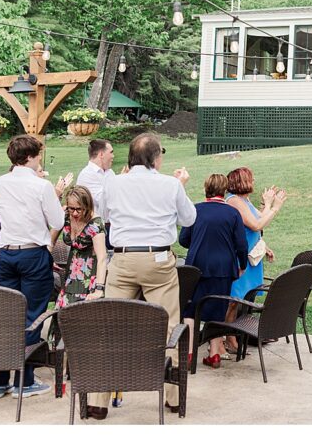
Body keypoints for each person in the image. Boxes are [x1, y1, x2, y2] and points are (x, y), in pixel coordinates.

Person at [93, 132, 194, 418]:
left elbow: (105, 214)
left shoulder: (113, 182)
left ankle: (98, 402)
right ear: (155, 158)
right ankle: (173, 397)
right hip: (157, 258)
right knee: (170, 326)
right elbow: (189, 219)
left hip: (123, 258)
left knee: (109, 326)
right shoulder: (170, 184)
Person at [0, 135, 68, 401]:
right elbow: (57, 219)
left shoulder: (0, 182)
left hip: (6, 254)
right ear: (33, 156)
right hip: (33, 253)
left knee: (6, 316)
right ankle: (26, 380)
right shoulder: (41, 185)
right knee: (33, 315)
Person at [178, 174, 247, 368]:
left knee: (190, 309)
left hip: (196, 265)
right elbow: (241, 245)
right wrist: (242, 264)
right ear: (224, 190)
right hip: (223, 267)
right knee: (218, 309)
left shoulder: (195, 210)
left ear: (206, 188)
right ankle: (215, 354)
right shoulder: (233, 214)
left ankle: (189, 352)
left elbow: (183, 239)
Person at [223, 167, 283, 354]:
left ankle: (241, 334)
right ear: (242, 182)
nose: (254, 182)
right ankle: (227, 338)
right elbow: (256, 224)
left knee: (243, 298)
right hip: (240, 259)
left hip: (252, 258)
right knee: (234, 299)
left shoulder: (244, 200)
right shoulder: (233, 201)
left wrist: (267, 204)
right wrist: (274, 207)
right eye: (251, 179)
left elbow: (258, 221)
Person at [52, 186, 106, 308]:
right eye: (72, 208)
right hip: (71, 274)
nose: (75, 213)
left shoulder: (95, 223)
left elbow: (102, 257)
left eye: (79, 209)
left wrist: (99, 288)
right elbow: (50, 242)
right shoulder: (65, 215)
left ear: (87, 206)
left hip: (89, 275)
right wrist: (47, 258)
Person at [76, 139, 115, 249]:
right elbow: (103, 202)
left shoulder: (110, 173)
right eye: (111, 152)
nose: (113, 156)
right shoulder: (87, 175)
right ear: (101, 154)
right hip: (94, 229)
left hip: (111, 227)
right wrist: (118, 186)